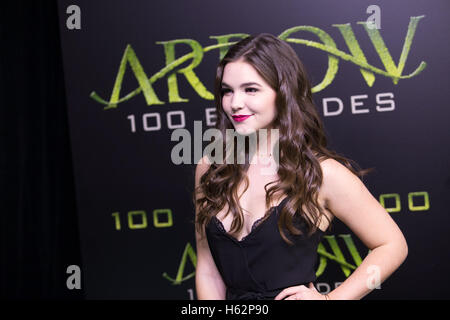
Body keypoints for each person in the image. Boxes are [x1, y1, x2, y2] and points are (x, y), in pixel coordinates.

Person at [193, 33, 408, 300]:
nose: (234, 103)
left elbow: (392, 245)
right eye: (227, 90)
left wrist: (333, 300)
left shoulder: (322, 173)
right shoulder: (211, 167)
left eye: (251, 89)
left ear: (283, 93)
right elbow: (208, 270)